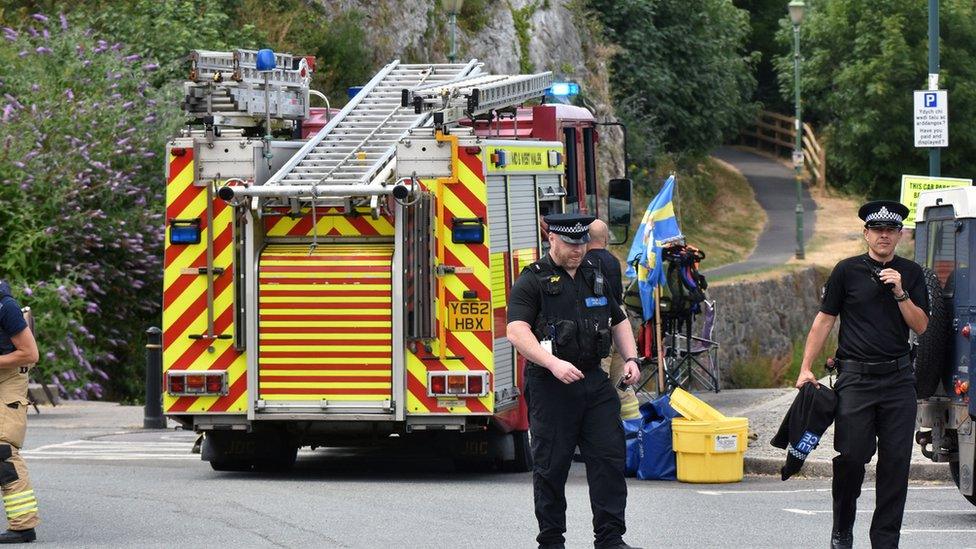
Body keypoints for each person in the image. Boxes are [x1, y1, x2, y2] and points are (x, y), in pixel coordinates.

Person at [794, 200, 928, 549]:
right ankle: (842, 527)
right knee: (852, 456)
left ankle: (885, 541)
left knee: (896, 464)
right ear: (866, 233)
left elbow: (922, 325)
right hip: (855, 380)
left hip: (898, 380)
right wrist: (805, 368)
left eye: (891, 230)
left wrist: (901, 293)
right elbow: (824, 320)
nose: (884, 236)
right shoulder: (846, 271)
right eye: (877, 230)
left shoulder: (912, 273)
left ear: (900, 234)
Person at [507, 213, 642, 549]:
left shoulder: (594, 276)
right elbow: (516, 330)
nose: (578, 250)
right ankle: (551, 540)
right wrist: (553, 364)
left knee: (609, 461)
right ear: (551, 239)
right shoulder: (533, 280)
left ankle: (610, 538)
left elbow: (619, 320)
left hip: (593, 381)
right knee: (551, 466)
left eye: (582, 242)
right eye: (570, 243)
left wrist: (630, 359)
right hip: (551, 385)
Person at [584, 219, 640, 420]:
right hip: (621, 324)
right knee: (621, 381)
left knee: (601, 378)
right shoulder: (613, 261)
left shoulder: (587, 263)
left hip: (603, 327)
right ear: (606, 238)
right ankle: (634, 426)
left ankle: (601, 424)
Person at [0, 282, 39, 544]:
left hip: (9, 378)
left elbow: (30, 354)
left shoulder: (6, 307)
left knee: (3, 450)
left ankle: (23, 527)